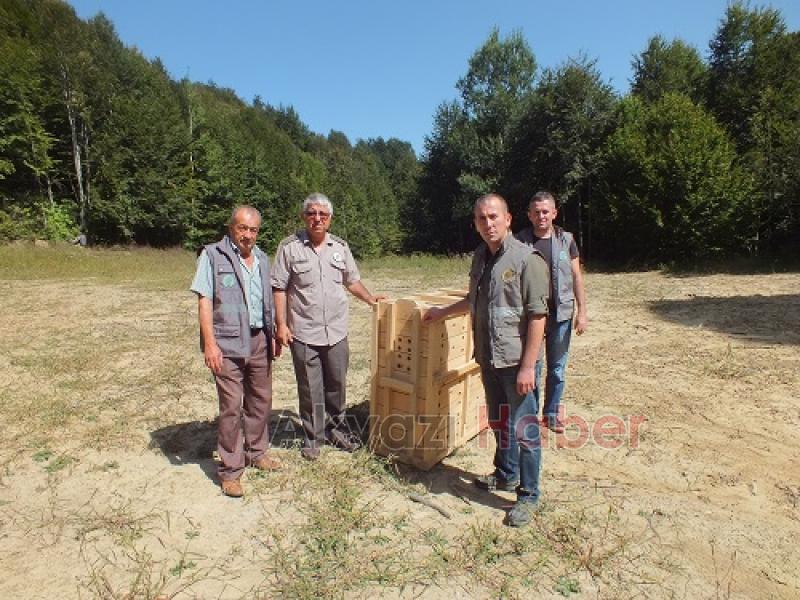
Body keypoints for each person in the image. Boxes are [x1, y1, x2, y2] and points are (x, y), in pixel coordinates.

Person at [424, 193, 549, 527]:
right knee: (498, 421)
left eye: (494, 217)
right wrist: (441, 312)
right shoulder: (481, 257)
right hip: (490, 358)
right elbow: (473, 299)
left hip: (516, 362)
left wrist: (527, 366)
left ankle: (529, 495)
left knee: (525, 429)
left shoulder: (527, 259)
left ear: (508, 219)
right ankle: (506, 474)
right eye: (482, 218)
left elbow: (538, 316)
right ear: (475, 224)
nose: (488, 223)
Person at [271, 193, 385, 460]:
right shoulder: (289, 248)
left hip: (335, 332)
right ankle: (313, 436)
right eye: (312, 213)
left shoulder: (340, 248)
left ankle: (337, 430)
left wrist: (369, 298)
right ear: (304, 217)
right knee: (310, 388)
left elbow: (352, 280)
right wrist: (281, 324)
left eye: (323, 214)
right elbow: (278, 288)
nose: (317, 219)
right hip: (304, 332)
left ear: (330, 219)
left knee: (336, 385)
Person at [190, 205, 282, 498]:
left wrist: (275, 332)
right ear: (232, 228)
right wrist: (210, 344)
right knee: (231, 407)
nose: (248, 235)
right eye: (242, 228)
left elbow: (267, 299)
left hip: (259, 340)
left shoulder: (263, 259)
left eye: (253, 229)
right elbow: (205, 300)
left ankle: (257, 452)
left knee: (260, 401)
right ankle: (231, 471)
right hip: (227, 343)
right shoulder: (213, 255)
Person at [516, 191, 588, 433]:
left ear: (554, 213)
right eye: (536, 212)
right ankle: (530, 415)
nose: (541, 216)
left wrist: (582, 312)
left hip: (561, 315)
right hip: (531, 316)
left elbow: (577, 276)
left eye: (545, 211)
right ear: (529, 215)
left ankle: (552, 415)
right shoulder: (519, 241)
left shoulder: (566, 240)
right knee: (532, 368)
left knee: (557, 368)